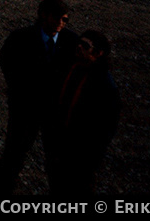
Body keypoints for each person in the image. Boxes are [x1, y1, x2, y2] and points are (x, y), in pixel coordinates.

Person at [0, 0, 78, 196]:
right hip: (26, 107)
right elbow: (7, 63)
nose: (60, 23)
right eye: (56, 18)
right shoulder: (21, 38)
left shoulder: (71, 41)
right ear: (43, 15)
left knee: (56, 157)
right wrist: (20, 90)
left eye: (64, 19)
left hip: (55, 110)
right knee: (15, 152)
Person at [44, 30, 119, 197]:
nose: (79, 47)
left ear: (99, 53)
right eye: (79, 42)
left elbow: (105, 129)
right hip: (59, 147)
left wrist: (89, 158)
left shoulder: (105, 86)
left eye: (85, 45)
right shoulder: (71, 70)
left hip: (81, 156)